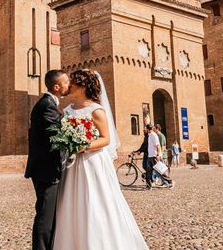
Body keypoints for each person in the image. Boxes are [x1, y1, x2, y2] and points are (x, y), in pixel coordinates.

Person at [53, 69, 149, 249]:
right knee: (73, 202)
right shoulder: (67, 110)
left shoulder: (96, 110)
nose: (69, 84)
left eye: (73, 81)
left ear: (82, 87)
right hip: (73, 165)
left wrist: (84, 145)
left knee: (96, 202)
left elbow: (106, 139)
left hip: (93, 162)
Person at [25, 69, 70, 250]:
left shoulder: (48, 103)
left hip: (45, 169)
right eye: (66, 82)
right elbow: (55, 136)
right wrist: (76, 144)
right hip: (47, 170)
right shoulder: (47, 105)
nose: (70, 84)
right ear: (57, 87)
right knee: (45, 216)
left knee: (48, 215)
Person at [146, 124, 174, 189]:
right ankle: (149, 185)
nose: (145, 129)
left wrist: (158, 155)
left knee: (160, 171)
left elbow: (158, 146)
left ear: (148, 129)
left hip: (154, 156)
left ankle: (170, 182)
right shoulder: (150, 135)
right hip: (150, 156)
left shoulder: (153, 135)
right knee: (148, 172)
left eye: (146, 128)